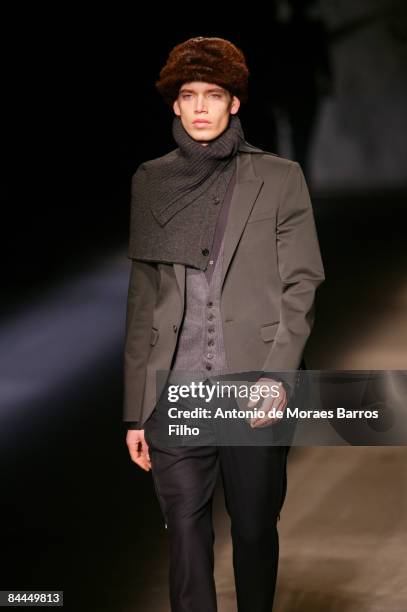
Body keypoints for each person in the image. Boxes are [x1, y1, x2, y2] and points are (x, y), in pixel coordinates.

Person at [123, 36, 325, 612]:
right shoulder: (151, 181)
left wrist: (278, 378)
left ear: (235, 102)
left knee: (255, 529)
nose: (202, 108)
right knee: (185, 536)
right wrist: (136, 408)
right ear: (175, 106)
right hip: (176, 392)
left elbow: (303, 282)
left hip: (252, 386)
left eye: (214, 95)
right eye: (189, 96)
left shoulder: (280, 177)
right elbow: (142, 299)